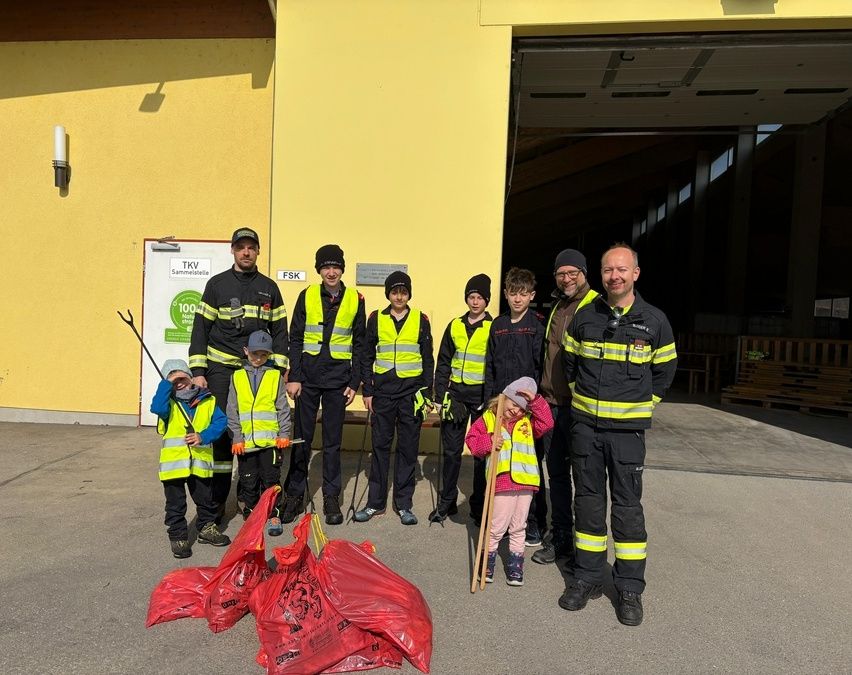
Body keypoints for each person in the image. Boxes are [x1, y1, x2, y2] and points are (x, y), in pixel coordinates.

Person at [560, 243, 677, 626]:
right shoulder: (584, 317)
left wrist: (644, 405)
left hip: (627, 435)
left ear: (636, 274)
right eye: (609, 270)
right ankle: (588, 578)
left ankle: (629, 588)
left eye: (622, 270)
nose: (615, 276)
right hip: (587, 431)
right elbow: (570, 363)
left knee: (628, 512)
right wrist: (584, 404)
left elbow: (665, 372)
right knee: (588, 505)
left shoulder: (655, 321)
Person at [188, 227, 289, 520]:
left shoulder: (269, 287)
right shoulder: (216, 285)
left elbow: (280, 331)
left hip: (257, 372)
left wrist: (279, 368)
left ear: (258, 251)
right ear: (232, 250)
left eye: (251, 247)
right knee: (223, 435)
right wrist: (198, 370)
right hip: (221, 370)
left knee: (257, 432)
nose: (246, 252)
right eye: (241, 247)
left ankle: (254, 499)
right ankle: (217, 504)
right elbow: (200, 329)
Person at [282, 244, 366, 526]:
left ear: (342, 269)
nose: (331, 272)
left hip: (338, 381)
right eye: (326, 267)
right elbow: (295, 337)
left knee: (332, 444)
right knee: (301, 440)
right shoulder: (306, 295)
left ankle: (331, 496)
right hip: (307, 378)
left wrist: (355, 383)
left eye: (336, 267)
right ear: (319, 270)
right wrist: (293, 376)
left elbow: (360, 343)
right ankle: (293, 495)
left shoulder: (356, 299)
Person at [531, 249, 598, 566]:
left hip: (580, 409)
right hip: (551, 404)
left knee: (585, 480)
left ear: (584, 273)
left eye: (573, 272)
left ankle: (585, 551)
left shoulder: (597, 305)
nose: (567, 278)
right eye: (561, 273)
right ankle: (561, 539)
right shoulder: (558, 306)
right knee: (556, 476)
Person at [355, 270, 434, 525]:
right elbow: (367, 357)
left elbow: (427, 358)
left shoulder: (421, 319)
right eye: (394, 291)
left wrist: (426, 393)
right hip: (383, 393)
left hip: (411, 395)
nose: (399, 296)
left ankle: (404, 504)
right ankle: (375, 503)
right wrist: (367, 390)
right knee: (379, 448)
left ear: (409, 294)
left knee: (408, 450)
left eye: (403, 291)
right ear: (388, 294)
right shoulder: (376, 319)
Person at [465, 377, 553, 586]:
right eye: (514, 404)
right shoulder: (487, 419)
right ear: (503, 399)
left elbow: (547, 423)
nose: (516, 411)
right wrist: (489, 441)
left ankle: (515, 566)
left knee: (518, 527)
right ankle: (487, 563)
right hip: (502, 482)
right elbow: (472, 443)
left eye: (522, 409)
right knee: (496, 526)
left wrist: (535, 401)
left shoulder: (528, 422)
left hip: (525, 483)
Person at [477, 267, 545, 537]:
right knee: (500, 463)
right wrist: (490, 403)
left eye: (523, 294)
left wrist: (533, 404)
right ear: (505, 294)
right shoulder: (498, 325)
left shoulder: (536, 325)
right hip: (500, 406)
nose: (518, 299)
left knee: (527, 466)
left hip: (525, 410)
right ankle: (497, 521)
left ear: (532, 295)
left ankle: (531, 524)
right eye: (513, 293)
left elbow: (539, 369)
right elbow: (490, 366)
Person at [150, 359, 231, 558]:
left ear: (190, 376)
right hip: (174, 465)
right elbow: (157, 408)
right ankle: (178, 536)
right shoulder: (168, 403)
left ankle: (206, 528)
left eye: (182, 376)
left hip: (200, 463)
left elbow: (221, 422)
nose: (179, 382)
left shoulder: (208, 400)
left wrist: (203, 436)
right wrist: (166, 383)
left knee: (206, 500)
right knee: (175, 504)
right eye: (173, 379)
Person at [429, 273, 493, 523]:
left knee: (480, 455)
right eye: (471, 297)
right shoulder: (455, 325)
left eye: (479, 297)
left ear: (486, 300)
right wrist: (441, 394)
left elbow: (493, 366)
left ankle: (478, 507)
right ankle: (447, 503)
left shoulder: (493, 327)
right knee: (452, 453)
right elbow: (443, 361)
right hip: (455, 396)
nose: (475, 302)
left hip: (480, 398)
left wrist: (488, 399)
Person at [226, 330, 292, 537]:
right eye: (255, 354)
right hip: (246, 443)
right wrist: (236, 437)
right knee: (248, 480)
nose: (258, 358)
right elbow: (232, 409)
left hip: (270, 443)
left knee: (271, 480)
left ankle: (274, 514)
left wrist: (284, 433)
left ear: (268, 356)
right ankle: (252, 513)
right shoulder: (236, 377)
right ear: (246, 351)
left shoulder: (274, 376)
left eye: (263, 355)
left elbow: (282, 407)